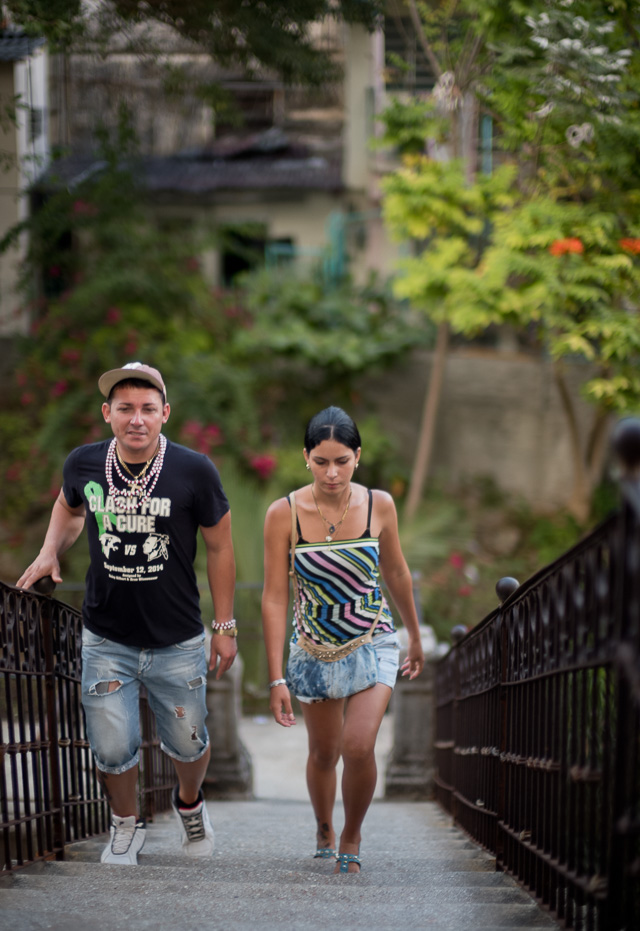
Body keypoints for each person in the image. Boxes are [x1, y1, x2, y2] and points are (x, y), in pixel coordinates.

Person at [17, 362, 237, 865]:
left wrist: (224, 626)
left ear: (164, 414)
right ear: (107, 414)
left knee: (188, 741)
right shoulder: (84, 463)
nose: (136, 419)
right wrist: (52, 550)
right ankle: (125, 826)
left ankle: (189, 804)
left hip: (178, 638)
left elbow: (222, 549)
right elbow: (70, 508)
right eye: (125, 409)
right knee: (112, 746)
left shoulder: (193, 470)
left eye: (146, 409)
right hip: (106, 636)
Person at [261, 406, 424, 874]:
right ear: (306, 458)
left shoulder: (380, 505)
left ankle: (351, 833)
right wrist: (276, 678)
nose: (332, 473)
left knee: (358, 746)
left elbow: (395, 571)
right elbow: (273, 598)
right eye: (321, 461)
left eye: (342, 461)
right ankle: (323, 826)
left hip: (374, 638)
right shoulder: (284, 513)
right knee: (323, 753)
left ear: (358, 457)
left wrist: (413, 634)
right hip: (314, 649)